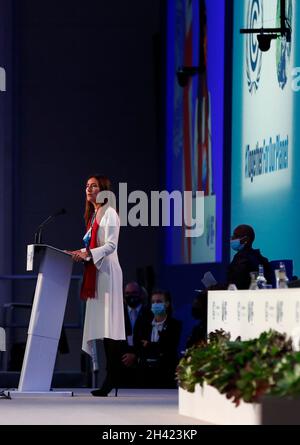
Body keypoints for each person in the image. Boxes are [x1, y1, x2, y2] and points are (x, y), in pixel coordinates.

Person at [69, 174, 125, 397]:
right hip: (96, 271)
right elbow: (91, 246)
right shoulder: (93, 216)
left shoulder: (109, 212)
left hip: (107, 272)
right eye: (87, 186)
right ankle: (110, 377)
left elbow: (111, 245)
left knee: (109, 326)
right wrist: (79, 253)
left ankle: (113, 377)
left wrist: (87, 254)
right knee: (102, 326)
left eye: (94, 186)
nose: (89, 189)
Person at [138, 289, 182, 388]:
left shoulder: (175, 325)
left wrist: (149, 345)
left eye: (159, 302)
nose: (155, 304)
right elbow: (140, 345)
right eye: (153, 302)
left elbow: (169, 347)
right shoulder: (144, 324)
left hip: (166, 374)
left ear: (167, 304)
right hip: (146, 374)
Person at [118, 281, 153, 387]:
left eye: (134, 293)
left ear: (141, 294)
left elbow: (152, 339)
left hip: (144, 368)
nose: (130, 296)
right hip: (122, 367)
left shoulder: (150, 313)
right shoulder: (118, 314)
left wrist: (136, 356)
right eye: (127, 293)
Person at [228, 224, 272, 290]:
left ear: (246, 239)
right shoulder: (258, 257)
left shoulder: (242, 257)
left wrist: (213, 288)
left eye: (236, 235)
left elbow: (234, 284)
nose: (232, 238)